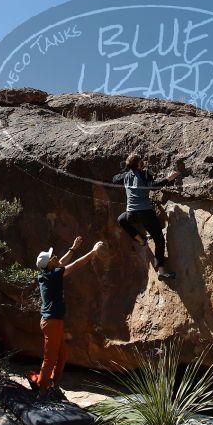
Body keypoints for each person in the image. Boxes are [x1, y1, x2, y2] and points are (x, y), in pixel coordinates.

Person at [34, 235, 103, 398]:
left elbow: (61, 262)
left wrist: (73, 247)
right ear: (49, 263)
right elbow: (76, 265)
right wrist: (93, 252)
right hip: (52, 322)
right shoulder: (53, 276)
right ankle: (42, 391)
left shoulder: (45, 274)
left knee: (62, 354)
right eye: (52, 257)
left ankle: (54, 385)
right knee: (50, 358)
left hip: (52, 321)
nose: (55, 257)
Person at [112, 152, 179, 280]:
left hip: (131, 214)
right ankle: (161, 271)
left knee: (121, 220)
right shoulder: (145, 174)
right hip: (145, 213)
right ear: (138, 164)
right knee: (159, 240)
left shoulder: (125, 176)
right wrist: (168, 179)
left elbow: (114, 179)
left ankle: (141, 240)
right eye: (141, 161)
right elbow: (153, 187)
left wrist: (127, 169)